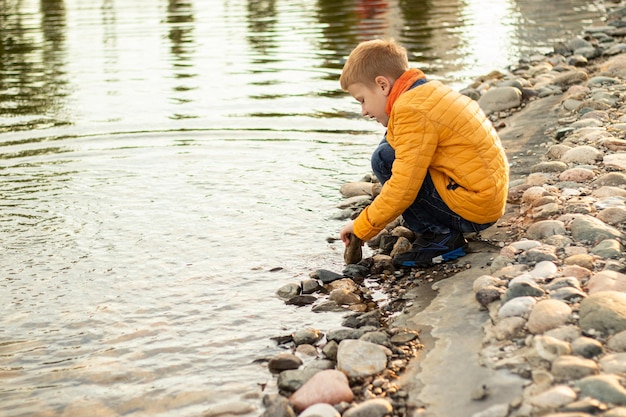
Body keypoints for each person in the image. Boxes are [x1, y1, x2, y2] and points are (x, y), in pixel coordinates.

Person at [338, 38, 509, 268]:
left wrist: (361, 226)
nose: (364, 111)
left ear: (382, 85)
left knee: (384, 159)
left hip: (473, 209)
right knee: (388, 151)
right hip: (483, 198)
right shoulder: (426, 93)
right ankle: (440, 228)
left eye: (362, 100)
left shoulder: (411, 110)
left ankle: (441, 237)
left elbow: (403, 186)